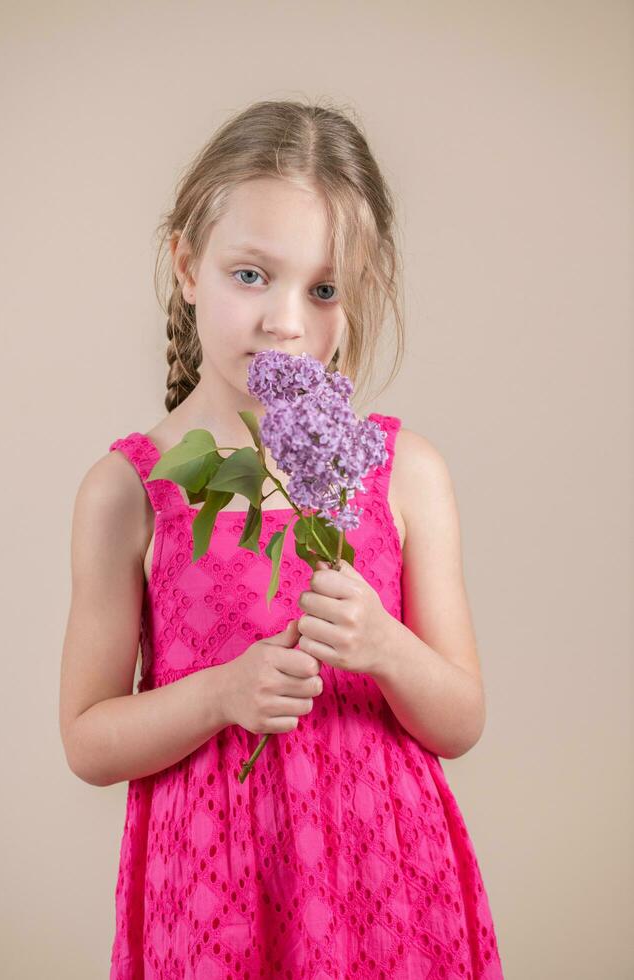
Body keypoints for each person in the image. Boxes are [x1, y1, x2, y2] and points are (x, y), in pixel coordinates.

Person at [59, 98, 504, 979]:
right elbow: (87, 737)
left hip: (387, 880)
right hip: (214, 893)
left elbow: (460, 720)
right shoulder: (130, 491)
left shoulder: (403, 471)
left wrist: (383, 645)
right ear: (188, 266)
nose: (287, 323)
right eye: (252, 276)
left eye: (324, 288)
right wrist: (220, 695)